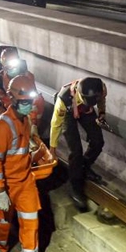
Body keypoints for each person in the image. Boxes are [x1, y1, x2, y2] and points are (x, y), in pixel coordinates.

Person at [0, 76, 43, 252]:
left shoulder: (25, 119)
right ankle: (0, 248)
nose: (29, 104)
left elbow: (21, 147)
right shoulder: (1, 127)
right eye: (25, 100)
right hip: (5, 184)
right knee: (1, 222)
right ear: (12, 98)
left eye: (30, 99)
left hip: (24, 180)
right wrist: (0, 191)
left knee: (31, 222)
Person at [49, 77, 108, 210]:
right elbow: (55, 124)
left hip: (85, 110)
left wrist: (102, 113)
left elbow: (101, 100)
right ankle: (75, 187)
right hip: (69, 111)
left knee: (98, 141)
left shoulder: (101, 88)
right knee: (75, 151)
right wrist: (52, 149)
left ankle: (84, 166)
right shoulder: (63, 100)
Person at [0, 48, 45, 135]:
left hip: (26, 99)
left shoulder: (28, 76)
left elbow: (33, 93)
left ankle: (35, 129)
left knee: (39, 102)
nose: (12, 67)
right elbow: (1, 95)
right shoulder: (0, 77)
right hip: (9, 100)